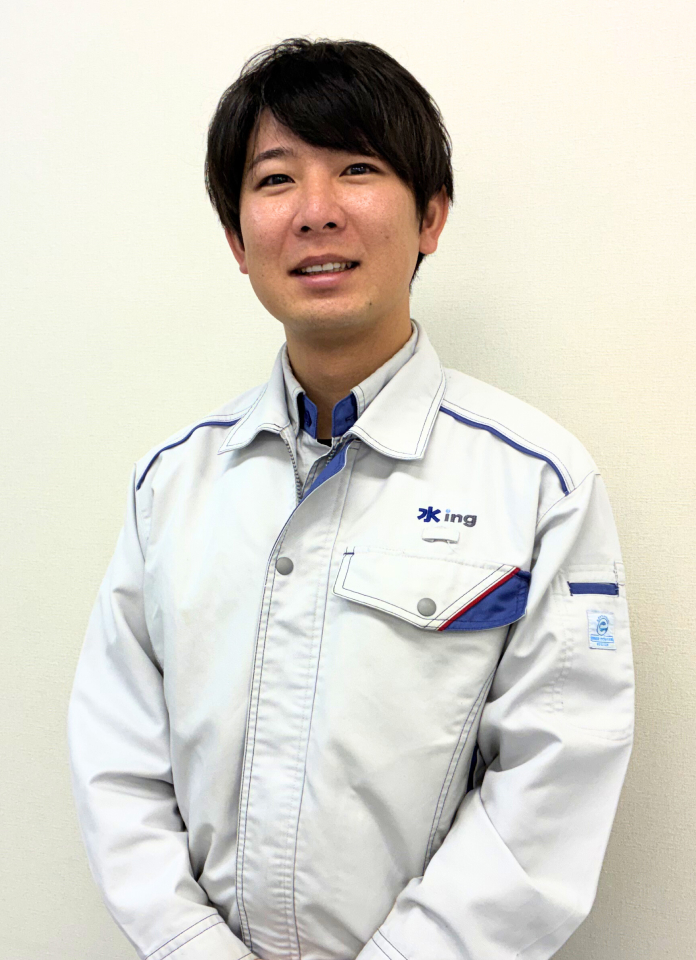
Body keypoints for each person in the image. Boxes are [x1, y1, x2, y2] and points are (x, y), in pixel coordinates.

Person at [67, 37, 635, 960]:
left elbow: (554, 783)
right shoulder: (170, 483)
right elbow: (116, 759)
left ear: (431, 216)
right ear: (236, 239)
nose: (317, 211)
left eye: (358, 169)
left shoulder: (538, 483)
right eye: (275, 179)